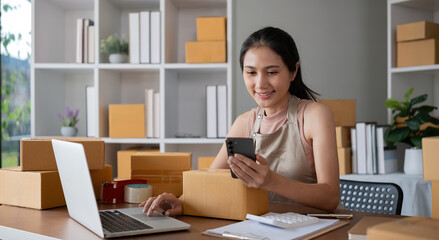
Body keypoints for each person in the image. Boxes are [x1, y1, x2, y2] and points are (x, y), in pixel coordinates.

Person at [140, 26, 340, 216]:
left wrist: (271, 181)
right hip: (257, 229)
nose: (260, 83)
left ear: (293, 71)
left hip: (311, 230)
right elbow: (211, 181)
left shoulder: (315, 115)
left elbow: (330, 197)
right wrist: (181, 202)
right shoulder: (244, 123)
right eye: (251, 72)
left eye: (272, 72)